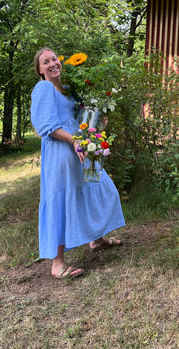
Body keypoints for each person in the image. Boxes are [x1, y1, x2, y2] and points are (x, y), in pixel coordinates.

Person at [30, 47, 125, 279]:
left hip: (80, 148)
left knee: (97, 187)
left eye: (54, 59)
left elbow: (78, 119)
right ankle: (57, 264)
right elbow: (46, 126)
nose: (52, 64)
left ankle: (96, 239)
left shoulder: (68, 90)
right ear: (40, 70)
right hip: (61, 152)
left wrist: (96, 124)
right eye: (45, 62)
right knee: (61, 200)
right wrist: (74, 140)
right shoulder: (44, 88)